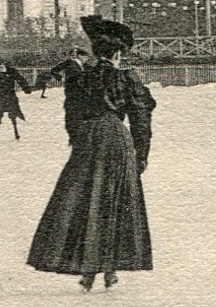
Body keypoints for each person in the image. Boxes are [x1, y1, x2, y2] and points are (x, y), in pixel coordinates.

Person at [28, 16, 156, 292]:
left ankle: (87, 267)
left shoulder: (80, 77)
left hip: (87, 140)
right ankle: (109, 268)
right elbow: (140, 117)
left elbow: (70, 113)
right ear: (118, 54)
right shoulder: (126, 77)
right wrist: (141, 152)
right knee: (115, 201)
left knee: (83, 200)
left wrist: (78, 139)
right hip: (115, 139)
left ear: (97, 53)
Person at [47, 47, 90, 145]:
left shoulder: (84, 66)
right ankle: (74, 138)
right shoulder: (69, 64)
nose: (73, 56)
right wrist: (61, 79)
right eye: (72, 54)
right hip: (73, 94)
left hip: (80, 95)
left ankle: (78, 137)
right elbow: (54, 70)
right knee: (73, 116)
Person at [0, 58, 32, 141]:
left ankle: (16, 132)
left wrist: (25, 88)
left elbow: (20, 78)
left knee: (13, 113)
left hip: (9, 95)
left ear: (4, 64)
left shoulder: (11, 71)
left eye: (1, 66)